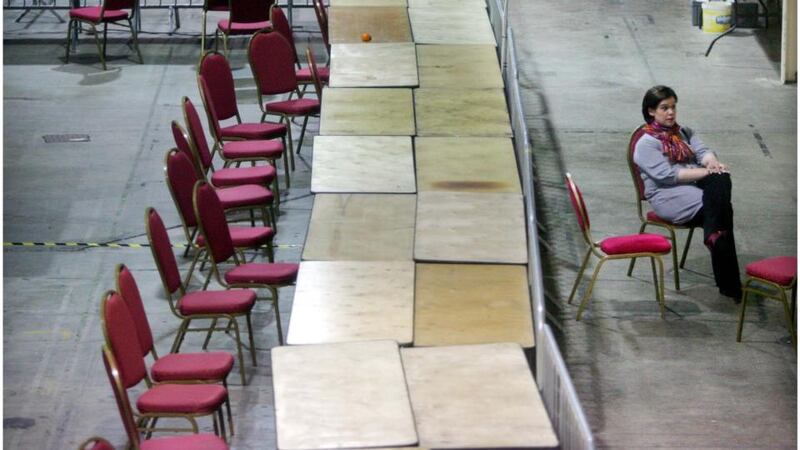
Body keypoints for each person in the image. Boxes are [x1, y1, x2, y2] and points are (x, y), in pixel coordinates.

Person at [633, 85, 742, 300]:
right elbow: (667, 175)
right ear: (651, 111)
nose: (671, 112)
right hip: (668, 194)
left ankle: (714, 236)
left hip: (694, 186)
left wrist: (712, 163)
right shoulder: (646, 144)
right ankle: (729, 283)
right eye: (664, 108)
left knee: (720, 182)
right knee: (722, 209)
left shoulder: (683, 132)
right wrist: (705, 171)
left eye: (673, 107)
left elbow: (703, 151)